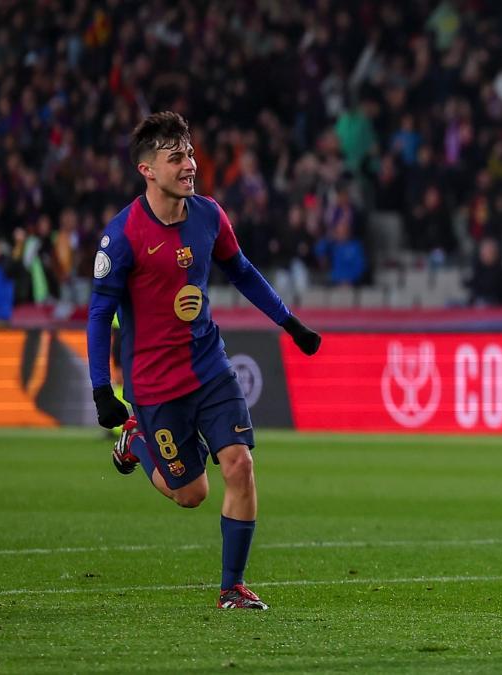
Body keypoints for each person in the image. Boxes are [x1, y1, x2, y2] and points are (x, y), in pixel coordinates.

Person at [86, 112, 322, 610]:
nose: (190, 164)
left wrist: (289, 323)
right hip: (154, 385)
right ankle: (135, 440)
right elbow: (99, 312)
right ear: (148, 170)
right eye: (177, 158)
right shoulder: (122, 234)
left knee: (239, 466)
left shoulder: (209, 215)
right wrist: (101, 390)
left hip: (211, 368)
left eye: (190, 153)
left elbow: (243, 273)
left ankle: (231, 588)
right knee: (190, 493)